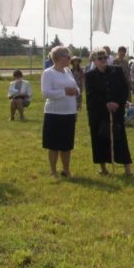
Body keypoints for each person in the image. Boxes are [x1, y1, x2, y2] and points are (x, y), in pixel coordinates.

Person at [85, 50, 133, 175]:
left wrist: (117, 103)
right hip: (98, 112)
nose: (103, 60)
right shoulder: (90, 75)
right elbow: (91, 94)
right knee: (99, 139)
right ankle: (103, 169)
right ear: (94, 61)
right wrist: (105, 104)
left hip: (116, 110)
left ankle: (127, 169)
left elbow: (124, 89)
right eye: (100, 58)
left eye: (105, 57)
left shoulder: (117, 71)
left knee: (120, 138)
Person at [41, 46, 79, 178]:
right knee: (53, 145)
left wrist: (76, 91)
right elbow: (46, 92)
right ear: (58, 58)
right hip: (54, 113)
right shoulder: (48, 73)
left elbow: (76, 87)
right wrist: (64, 92)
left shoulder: (68, 71)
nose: (70, 59)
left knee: (67, 145)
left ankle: (66, 170)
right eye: (67, 57)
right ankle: (53, 171)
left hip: (69, 112)